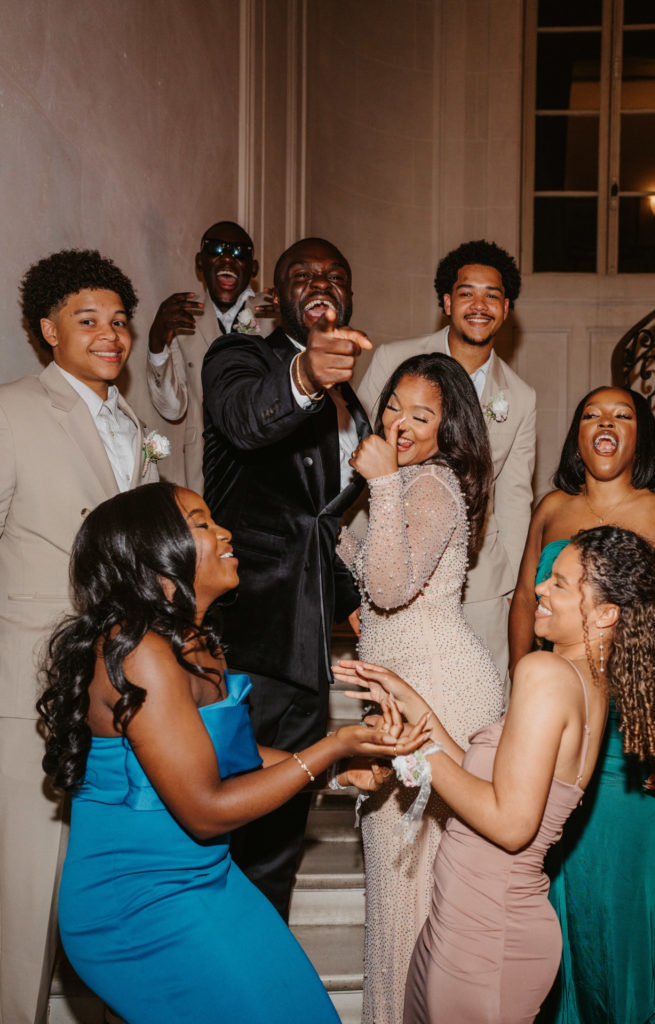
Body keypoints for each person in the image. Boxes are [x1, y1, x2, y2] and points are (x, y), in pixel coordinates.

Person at [36, 482, 429, 1024]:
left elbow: (238, 759)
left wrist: (341, 770)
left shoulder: (197, 644)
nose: (225, 533)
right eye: (202, 524)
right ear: (155, 554)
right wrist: (333, 745)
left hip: (207, 876)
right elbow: (205, 810)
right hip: (135, 902)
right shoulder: (140, 652)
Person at [335, 526, 655, 1024]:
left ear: (606, 614)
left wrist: (416, 748)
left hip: (486, 935)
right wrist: (411, 701)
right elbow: (486, 784)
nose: (539, 587)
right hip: (466, 918)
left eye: (560, 583)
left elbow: (511, 825)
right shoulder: (582, 680)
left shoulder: (545, 674)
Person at [0, 249, 161, 1024]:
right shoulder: (12, 411)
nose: (110, 335)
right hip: (29, 682)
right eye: (87, 320)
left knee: (102, 888)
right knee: (26, 899)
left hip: (117, 687)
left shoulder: (136, 425)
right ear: (47, 330)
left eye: (120, 321)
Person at [201, 236, 372, 918]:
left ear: (350, 295)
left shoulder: (354, 405)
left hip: (308, 646)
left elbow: (318, 525)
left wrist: (353, 601)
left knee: (279, 832)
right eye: (303, 274)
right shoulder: (239, 358)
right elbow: (247, 423)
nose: (321, 282)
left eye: (335, 274)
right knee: (225, 819)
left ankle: (262, 947)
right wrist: (304, 374)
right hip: (243, 638)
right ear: (278, 296)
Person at [337, 352, 506, 1023]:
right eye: (392, 407)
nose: (399, 423)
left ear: (448, 427)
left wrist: (380, 483)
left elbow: (389, 586)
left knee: (408, 889)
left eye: (421, 414)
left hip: (434, 691)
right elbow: (377, 575)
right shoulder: (414, 484)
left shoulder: (430, 484)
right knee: (402, 883)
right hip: (409, 684)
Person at [509, 385, 655, 1023]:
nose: (605, 423)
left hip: (632, 731)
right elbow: (524, 602)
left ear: (640, 435)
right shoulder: (552, 509)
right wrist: (520, 688)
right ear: (577, 434)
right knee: (553, 894)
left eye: (622, 415)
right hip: (557, 717)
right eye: (591, 414)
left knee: (617, 900)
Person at [358, 240, 535, 683]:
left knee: (478, 702)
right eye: (466, 293)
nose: (479, 305)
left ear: (506, 308)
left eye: (492, 295)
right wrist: (352, 575)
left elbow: (514, 498)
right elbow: (356, 457)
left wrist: (511, 590)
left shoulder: (521, 396)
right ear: (447, 301)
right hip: (391, 567)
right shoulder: (394, 359)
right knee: (393, 705)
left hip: (478, 582)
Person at [146, 220, 275, 491]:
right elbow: (172, 408)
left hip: (266, 459)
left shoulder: (275, 313)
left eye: (239, 252)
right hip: (203, 468)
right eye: (216, 249)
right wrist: (157, 339)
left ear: (253, 267)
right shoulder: (180, 315)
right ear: (200, 261)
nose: (227, 258)